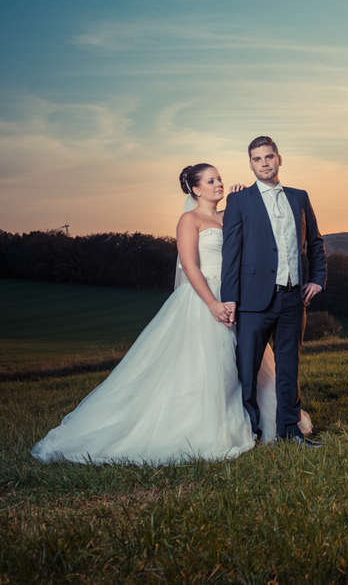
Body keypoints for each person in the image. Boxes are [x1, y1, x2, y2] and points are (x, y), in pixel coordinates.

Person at [31, 164, 311, 465]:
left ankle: (258, 421)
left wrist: (243, 199)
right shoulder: (188, 220)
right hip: (205, 299)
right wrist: (213, 305)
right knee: (207, 366)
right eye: (211, 180)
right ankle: (204, 425)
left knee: (243, 363)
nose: (219, 184)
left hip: (236, 299)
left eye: (220, 179)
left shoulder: (228, 215)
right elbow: (190, 267)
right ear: (195, 189)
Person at [222, 136, 326, 447]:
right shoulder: (239, 201)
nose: (264, 163)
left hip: (293, 299)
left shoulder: (299, 197)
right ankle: (249, 432)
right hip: (253, 302)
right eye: (257, 159)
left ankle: (290, 432)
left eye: (269, 157)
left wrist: (318, 279)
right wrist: (230, 298)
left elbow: (317, 243)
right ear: (250, 164)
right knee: (248, 371)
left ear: (279, 159)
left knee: (289, 369)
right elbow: (232, 253)